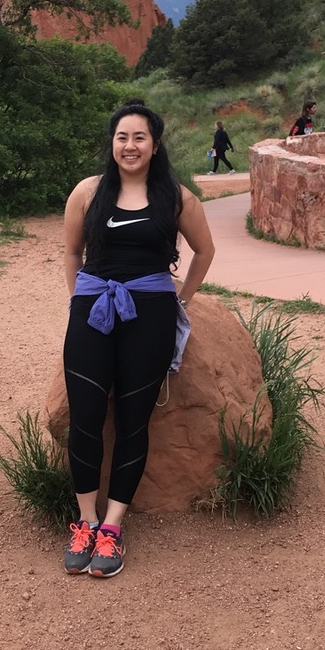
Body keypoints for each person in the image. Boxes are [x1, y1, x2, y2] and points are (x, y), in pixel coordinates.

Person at [62, 100, 215, 578]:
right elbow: (71, 251)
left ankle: (111, 528)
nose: (130, 146)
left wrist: (181, 300)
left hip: (149, 314)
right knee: (85, 417)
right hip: (93, 310)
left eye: (140, 138)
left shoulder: (175, 197)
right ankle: (84, 523)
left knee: (134, 420)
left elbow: (205, 251)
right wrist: (79, 301)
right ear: (112, 144)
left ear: (155, 144)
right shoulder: (88, 193)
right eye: (122, 137)